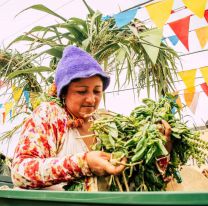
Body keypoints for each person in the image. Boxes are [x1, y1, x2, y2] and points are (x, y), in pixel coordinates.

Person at [11, 45, 171, 191]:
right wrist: (84, 163)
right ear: (64, 92)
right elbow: (21, 171)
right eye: (81, 91)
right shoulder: (50, 115)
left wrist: (162, 150)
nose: (91, 99)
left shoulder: (106, 123)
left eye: (97, 91)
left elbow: (136, 181)